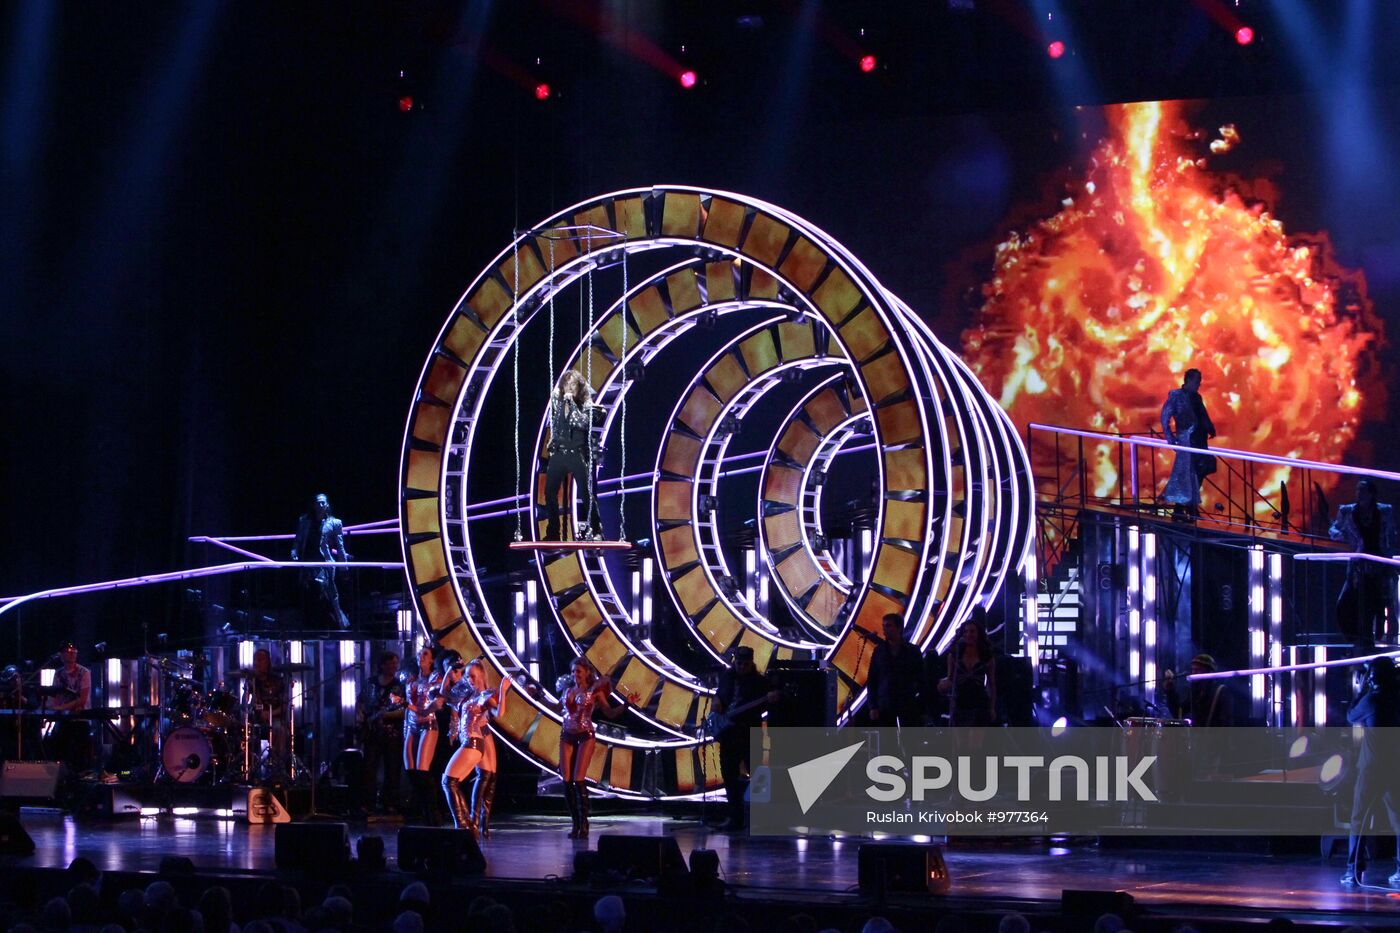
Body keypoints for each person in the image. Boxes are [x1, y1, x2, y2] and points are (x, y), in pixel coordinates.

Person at [1341, 658, 1400, 887]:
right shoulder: (1396, 699)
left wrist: (1361, 689)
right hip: (1394, 767)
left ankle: (1353, 871)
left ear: (1373, 679)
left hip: (1371, 769)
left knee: (1359, 820)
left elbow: (1350, 716)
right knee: (1398, 820)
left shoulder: (1372, 700)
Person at [558, 656, 630, 838]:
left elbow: (610, 713)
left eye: (578, 671)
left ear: (587, 672)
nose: (575, 674)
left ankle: (584, 824)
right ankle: (575, 824)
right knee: (566, 780)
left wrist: (626, 705)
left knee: (578, 779)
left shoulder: (594, 691)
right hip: (567, 734)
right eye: (573, 671)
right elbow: (555, 707)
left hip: (585, 735)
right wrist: (535, 696)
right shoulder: (567, 690)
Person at [713, 645, 781, 832]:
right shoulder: (727, 677)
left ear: (751, 663)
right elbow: (719, 695)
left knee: (757, 773)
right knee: (729, 775)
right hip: (728, 733)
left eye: (745, 664)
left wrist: (773, 697)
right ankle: (735, 817)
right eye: (739, 663)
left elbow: (773, 699)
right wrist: (717, 702)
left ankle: (759, 818)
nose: (741, 667)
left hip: (749, 732)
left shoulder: (759, 682)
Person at [442, 659, 511, 837]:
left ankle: (466, 825)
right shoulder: (467, 694)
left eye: (473, 676)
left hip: (474, 741)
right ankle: (468, 825)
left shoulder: (485, 695)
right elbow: (444, 693)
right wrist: (449, 671)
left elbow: (499, 713)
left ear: (481, 676)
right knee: (451, 782)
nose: (469, 679)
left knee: (450, 781)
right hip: (469, 741)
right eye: (467, 676)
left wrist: (503, 691)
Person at [1329, 479, 1398, 651]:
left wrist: (1389, 561)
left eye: (1363, 491)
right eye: (1357, 490)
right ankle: (1356, 639)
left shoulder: (1385, 511)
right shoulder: (1347, 511)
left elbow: (1391, 534)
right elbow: (1334, 530)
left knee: (1374, 602)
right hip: (1358, 563)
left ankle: (1370, 639)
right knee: (1344, 604)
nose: (1359, 494)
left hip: (1380, 562)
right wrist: (1342, 535)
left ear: (1371, 494)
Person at [544, 370, 605, 542]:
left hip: (576, 454)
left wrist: (570, 403)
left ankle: (597, 529)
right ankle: (553, 532)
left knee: (585, 494)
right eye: (566, 385)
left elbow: (580, 422)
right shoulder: (558, 402)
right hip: (559, 454)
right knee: (549, 493)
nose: (569, 388)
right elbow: (556, 424)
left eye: (573, 385)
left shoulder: (586, 404)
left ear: (579, 387)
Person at [1160, 368, 1217, 521]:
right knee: (1187, 473)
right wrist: (1171, 439)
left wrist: (1210, 427)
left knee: (1202, 468)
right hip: (1187, 440)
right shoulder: (1176, 396)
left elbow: (1202, 415)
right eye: (1197, 381)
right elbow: (1165, 417)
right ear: (1189, 380)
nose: (1199, 384)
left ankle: (1188, 507)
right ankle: (1182, 509)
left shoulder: (1197, 397)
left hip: (1200, 440)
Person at [357, 650, 406, 815]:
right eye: (391, 663)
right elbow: (361, 701)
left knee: (392, 769)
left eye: (396, 663)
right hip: (372, 732)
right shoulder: (371, 683)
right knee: (369, 767)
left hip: (392, 734)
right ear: (383, 665)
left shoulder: (399, 686)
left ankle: (390, 803)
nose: (394, 666)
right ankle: (368, 803)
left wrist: (385, 715)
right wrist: (361, 718)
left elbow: (403, 709)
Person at [292, 492, 351, 628]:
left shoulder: (335, 523)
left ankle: (341, 624)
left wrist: (344, 568)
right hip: (307, 563)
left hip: (324, 564)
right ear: (313, 505)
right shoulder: (304, 521)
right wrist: (294, 550)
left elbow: (340, 547)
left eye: (323, 502)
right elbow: (298, 539)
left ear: (327, 505)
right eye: (318, 502)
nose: (320, 505)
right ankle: (312, 626)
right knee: (308, 594)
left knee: (329, 595)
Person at [402, 646, 443, 825]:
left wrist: (406, 705)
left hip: (428, 723)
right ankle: (420, 809)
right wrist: (406, 728)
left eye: (425, 654)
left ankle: (433, 814)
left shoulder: (435, 679)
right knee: (410, 769)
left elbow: (434, 705)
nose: (421, 656)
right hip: (411, 724)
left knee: (422, 770)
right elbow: (407, 707)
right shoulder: (411, 679)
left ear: (432, 659)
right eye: (420, 654)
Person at [867, 613, 925, 727]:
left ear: (899, 628)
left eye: (888, 625)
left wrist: (921, 704)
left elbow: (921, 679)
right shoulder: (879, 651)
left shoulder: (913, 651)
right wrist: (873, 706)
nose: (884, 629)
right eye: (883, 626)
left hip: (907, 703)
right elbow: (872, 680)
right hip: (885, 704)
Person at [939, 618, 997, 726]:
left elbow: (991, 684)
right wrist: (942, 685)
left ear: (978, 634)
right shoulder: (954, 655)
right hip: (960, 703)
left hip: (980, 702)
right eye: (965, 631)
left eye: (972, 631)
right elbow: (950, 678)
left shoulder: (986, 656)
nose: (968, 634)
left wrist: (992, 707)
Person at [46, 642, 92, 773]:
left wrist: (62, 708)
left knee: (78, 753)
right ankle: (60, 775)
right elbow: (54, 696)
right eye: (68, 652)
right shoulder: (58, 674)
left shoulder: (84, 672)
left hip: (80, 719)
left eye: (74, 652)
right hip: (63, 719)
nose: (72, 654)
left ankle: (78, 775)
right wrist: (51, 709)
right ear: (61, 655)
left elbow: (82, 700)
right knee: (57, 747)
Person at [245, 647, 289, 775]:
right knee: (241, 729)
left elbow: (284, 706)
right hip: (256, 718)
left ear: (268, 662)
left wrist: (270, 714)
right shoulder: (252, 680)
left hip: (274, 717)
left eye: (260, 660)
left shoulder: (278, 681)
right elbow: (246, 703)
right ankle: (249, 768)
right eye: (255, 659)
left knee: (279, 730)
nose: (257, 663)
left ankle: (277, 768)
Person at [1163, 654, 1235, 727]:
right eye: (1193, 669)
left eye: (1198, 670)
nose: (1194, 672)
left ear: (1209, 672)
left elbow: (1226, 725)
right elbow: (1178, 714)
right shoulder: (1195, 692)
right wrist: (1170, 690)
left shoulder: (1221, 691)